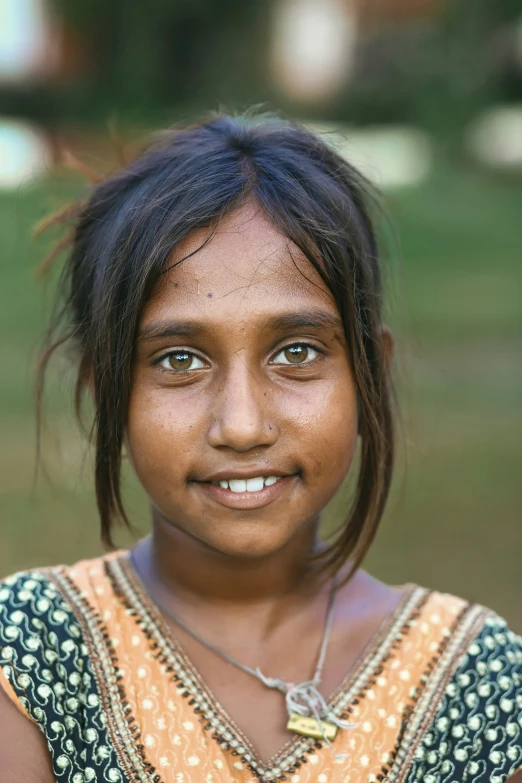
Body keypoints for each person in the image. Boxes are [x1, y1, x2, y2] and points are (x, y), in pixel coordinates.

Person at [0, 112, 520, 783]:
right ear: (108, 390)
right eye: (180, 359)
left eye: (296, 351)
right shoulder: (33, 657)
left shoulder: (475, 678)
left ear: (370, 375)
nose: (242, 426)